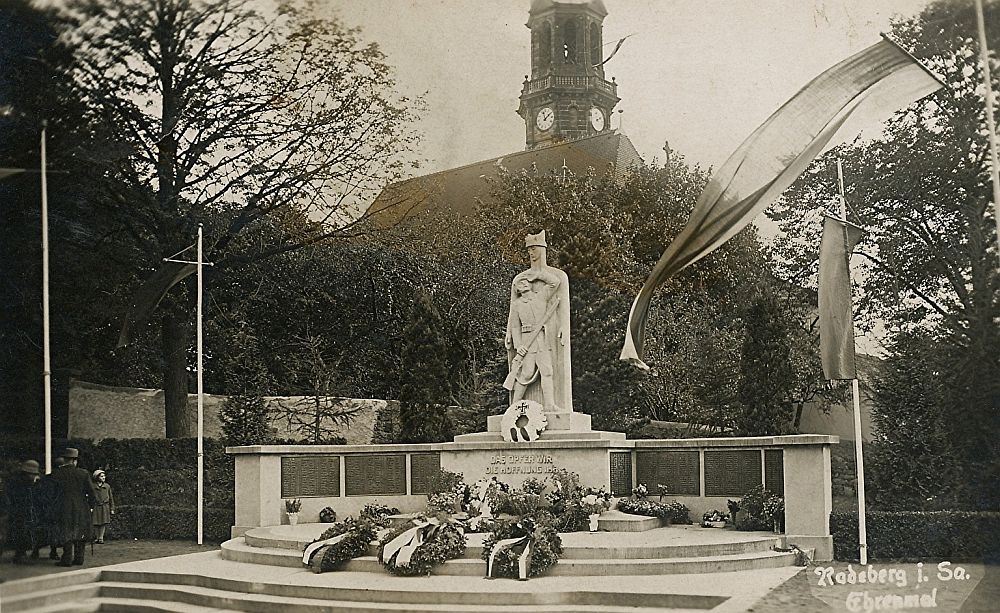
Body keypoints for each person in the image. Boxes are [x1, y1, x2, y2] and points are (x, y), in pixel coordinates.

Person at [504, 230, 573, 413]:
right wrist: (518, 344)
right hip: (526, 340)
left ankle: (550, 404)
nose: (524, 284)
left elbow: (555, 283)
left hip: (540, 339)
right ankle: (514, 407)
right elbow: (514, 324)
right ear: (518, 289)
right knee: (525, 373)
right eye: (521, 284)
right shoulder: (518, 304)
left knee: (547, 371)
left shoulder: (541, 296)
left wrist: (539, 275)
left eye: (534, 249)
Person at [49, 448, 96, 567]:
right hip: (81, 507)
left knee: (66, 532)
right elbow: (92, 493)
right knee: (80, 532)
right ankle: (79, 558)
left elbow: (51, 493)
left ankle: (67, 559)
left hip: (63, 507)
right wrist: (90, 506)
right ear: (75, 461)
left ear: (64, 460)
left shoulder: (56, 474)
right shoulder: (83, 473)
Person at [3, 460, 40, 564]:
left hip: (17, 510)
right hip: (20, 511)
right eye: (33, 474)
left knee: (21, 532)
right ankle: (20, 555)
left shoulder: (15, 480)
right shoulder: (22, 483)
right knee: (21, 532)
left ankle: (20, 554)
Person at [90, 470, 114, 544]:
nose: (104, 477)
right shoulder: (92, 486)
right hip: (96, 506)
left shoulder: (107, 486)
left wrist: (112, 508)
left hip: (105, 506)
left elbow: (111, 498)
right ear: (97, 477)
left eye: (104, 476)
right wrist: (90, 507)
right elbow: (90, 497)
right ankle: (97, 537)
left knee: (103, 522)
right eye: (101, 476)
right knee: (96, 522)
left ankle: (101, 538)